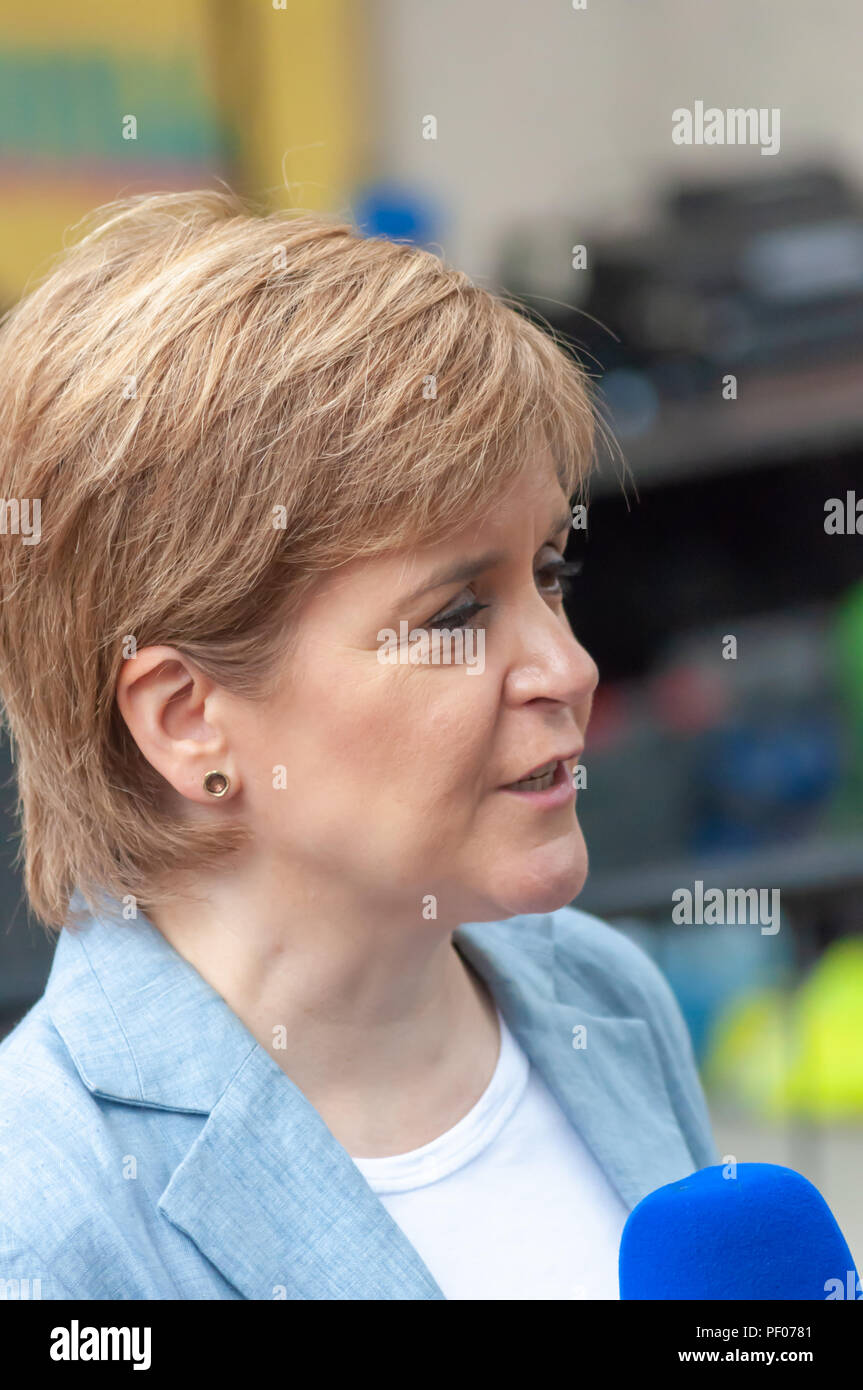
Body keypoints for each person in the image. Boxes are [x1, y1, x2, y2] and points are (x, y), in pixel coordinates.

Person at [0, 189, 717, 1300]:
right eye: (454, 616)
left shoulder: (603, 994)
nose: (568, 669)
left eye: (547, 574)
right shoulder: (45, 1212)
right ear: (188, 719)